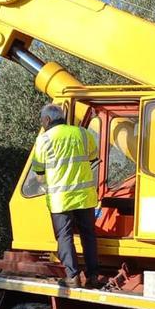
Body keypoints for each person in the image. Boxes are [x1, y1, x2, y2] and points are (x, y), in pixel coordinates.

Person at [31, 103, 101, 287]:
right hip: (84, 197)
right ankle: (93, 277)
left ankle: (73, 277)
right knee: (88, 235)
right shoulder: (83, 133)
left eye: (42, 121)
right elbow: (94, 157)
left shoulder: (44, 140)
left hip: (60, 200)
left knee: (65, 236)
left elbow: (39, 174)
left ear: (46, 120)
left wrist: (45, 182)